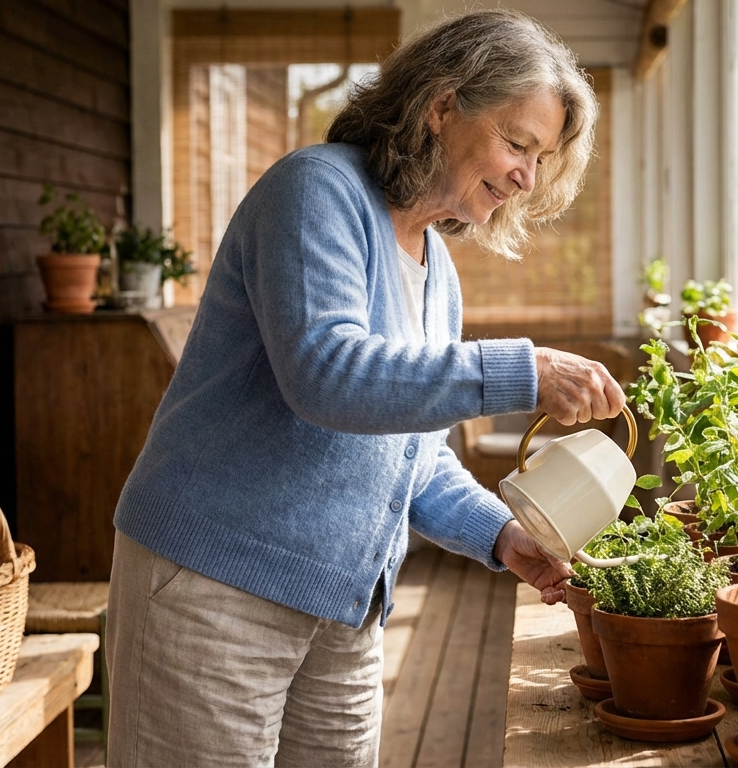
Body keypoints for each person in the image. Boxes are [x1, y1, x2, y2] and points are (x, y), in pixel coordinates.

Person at [104, 10, 624, 768]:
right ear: (441, 107)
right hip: (212, 590)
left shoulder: (437, 274)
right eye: (518, 143)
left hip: (344, 609)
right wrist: (525, 371)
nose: (526, 176)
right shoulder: (317, 190)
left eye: (540, 159)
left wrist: (500, 535)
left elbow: (411, 455)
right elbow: (328, 373)